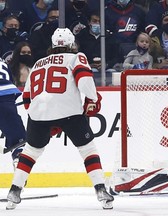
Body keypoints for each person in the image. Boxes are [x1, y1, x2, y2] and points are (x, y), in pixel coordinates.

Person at [5, 28, 114, 210]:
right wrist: (93, 99)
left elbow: (27, 96)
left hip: (38, 112)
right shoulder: (76, 57)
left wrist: (40, 115)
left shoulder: (39, 62)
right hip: (69, 111)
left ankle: (14, 191)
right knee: (87, 149)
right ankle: (101, 190)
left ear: (53, 45)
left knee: (31, 151)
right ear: (72, 44)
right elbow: (85, 80)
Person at [0, 58, 26, 166]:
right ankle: (18, 156)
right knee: (18, 139)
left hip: (6, 93)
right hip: (6, 93)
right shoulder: (2, 63)